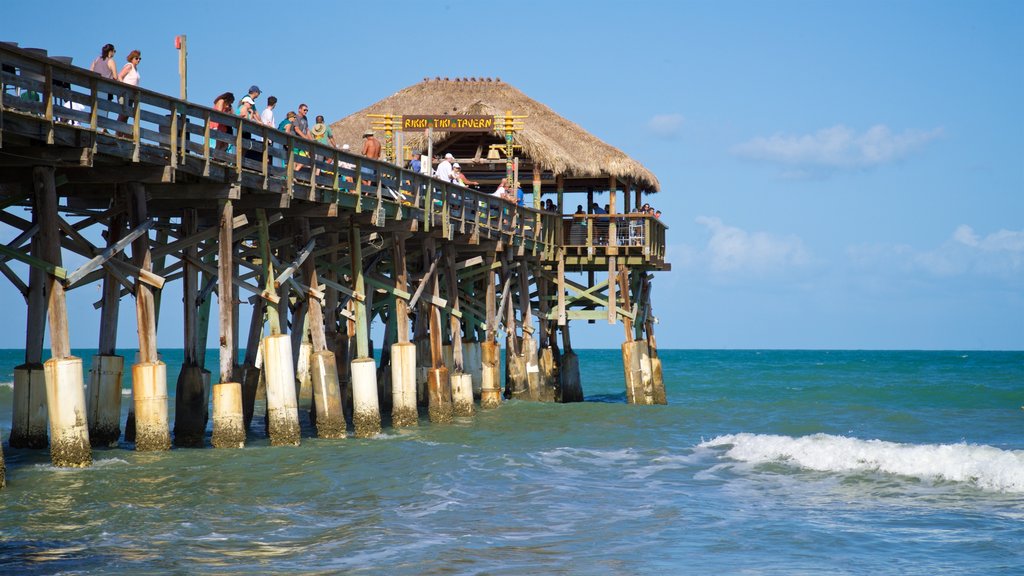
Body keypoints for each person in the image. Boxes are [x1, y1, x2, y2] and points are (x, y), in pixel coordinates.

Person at [115, 50, 141, 128]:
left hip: (131, 95)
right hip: (124, 93)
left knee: (127, 114)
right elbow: (119, 76)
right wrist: (124, 87)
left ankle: (122, 131)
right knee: (123, 112)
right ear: (132, 58)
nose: (138, 60)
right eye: (136, 58)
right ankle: (118, 130)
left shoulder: (135, 69)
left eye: (140, 58)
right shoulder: (129, 66)